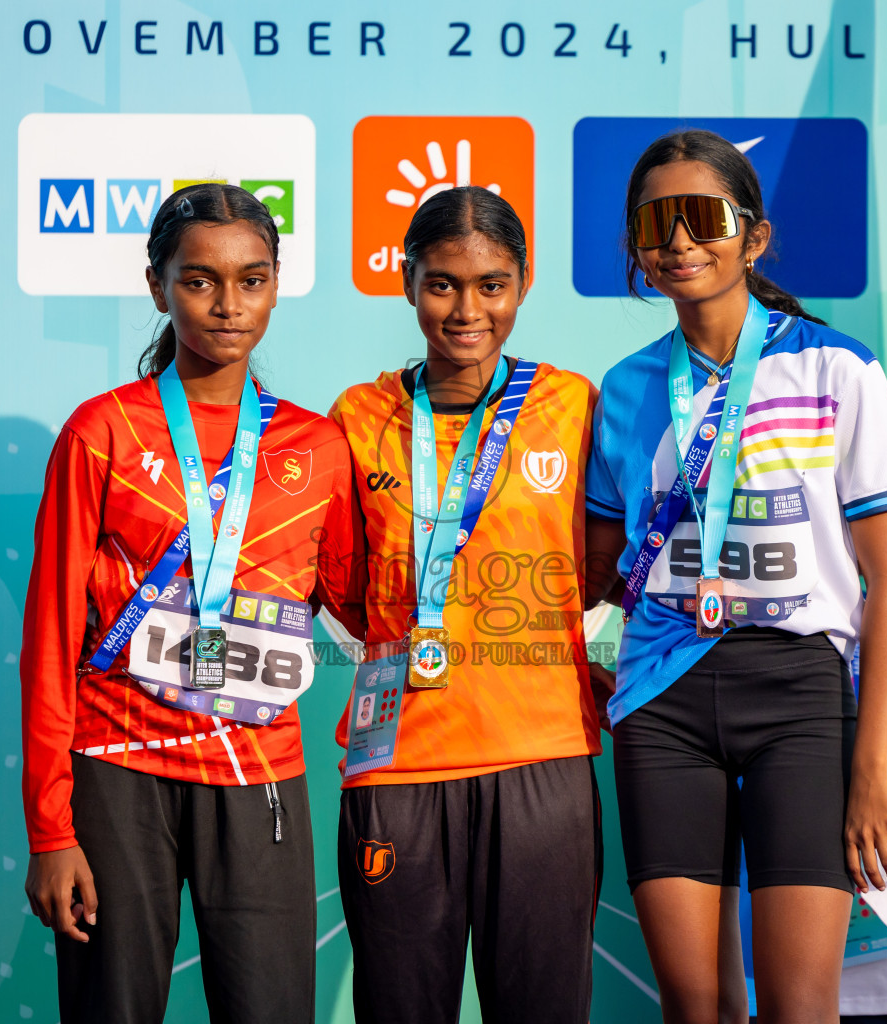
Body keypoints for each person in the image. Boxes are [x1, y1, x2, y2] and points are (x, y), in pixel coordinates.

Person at [584, 129, 887, 1024]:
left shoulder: (835, 369)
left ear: (753, 238)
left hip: (802, 700)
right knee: (695, 1009)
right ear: (636, 249)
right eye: (658, 223)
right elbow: (595, 573)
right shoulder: (622, 389)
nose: (681, 241)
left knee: (801, 1009)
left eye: (704, 218)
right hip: (664, 701)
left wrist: (875, 767)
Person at [19, 183, 362, 1024]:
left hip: (257, 775)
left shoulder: (316, 448)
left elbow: (366, 612)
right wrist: (50, 831)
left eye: (252, 279)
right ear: (157, 285)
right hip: (117, 773)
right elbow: (50, 637)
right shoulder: (102, 432)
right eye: (200, 279)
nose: (228, 304)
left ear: (277, 283)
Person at [328, 185, 603, 1024]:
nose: (466, 309)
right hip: (399, 769)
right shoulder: (359, 415)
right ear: (407, 282)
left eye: (491, 284)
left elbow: (602, 563)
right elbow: (340, 580)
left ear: (521, 285)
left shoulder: (571, 407)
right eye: (442, 283)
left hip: (543, 761)